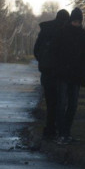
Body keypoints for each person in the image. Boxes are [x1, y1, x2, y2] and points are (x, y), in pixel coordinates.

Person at [52, 7, 85, 145]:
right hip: (63, 74)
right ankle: (61, 132)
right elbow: (55, 53)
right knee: (62, 104)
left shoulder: (83, 35)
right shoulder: (62, 33)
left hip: (76, 75)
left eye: (78, 21)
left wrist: (84, 76)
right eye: (74, 21)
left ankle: (66, 132)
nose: (76, 23)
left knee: (72, 105)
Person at [33, 9, 70, 140]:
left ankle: (49, 128)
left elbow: (36, 50)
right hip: (61, 73)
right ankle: (60, 129)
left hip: (47, 71)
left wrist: (43, 62)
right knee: (61, 102)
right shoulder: (65, 30)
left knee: (50, 102)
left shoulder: (46, 29)